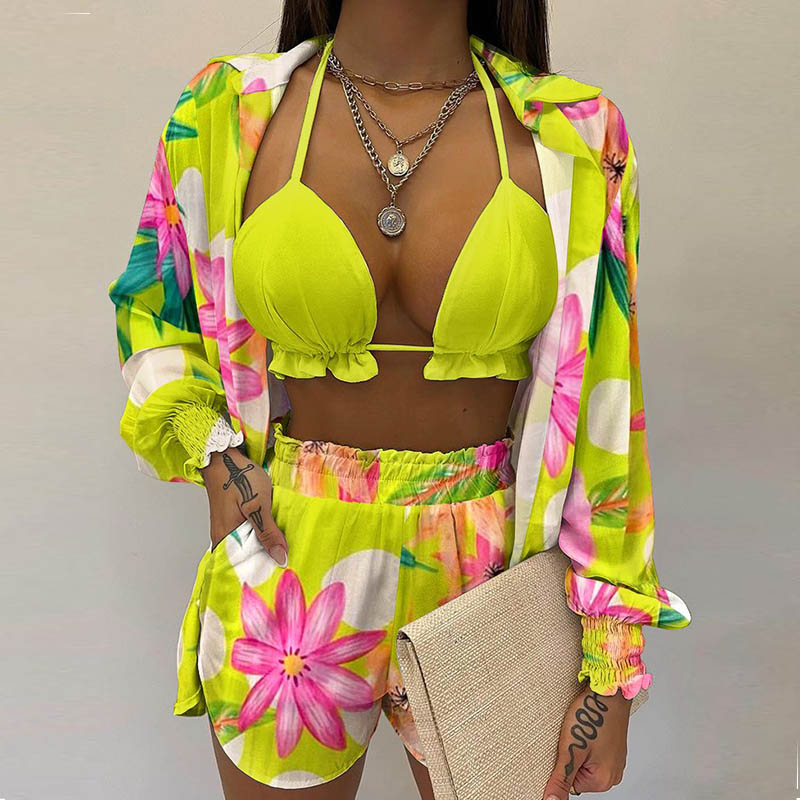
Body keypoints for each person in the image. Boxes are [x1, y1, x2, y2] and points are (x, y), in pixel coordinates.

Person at [107, 1, 692, 797]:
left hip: (493, 571)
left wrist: (610, 665)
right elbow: (152, 308)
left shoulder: (577, 137)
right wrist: (216, 455)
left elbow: (606, 402)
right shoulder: (224, 110)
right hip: (287, 559)